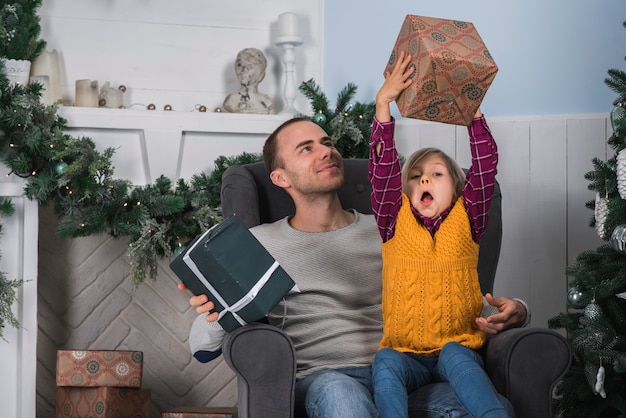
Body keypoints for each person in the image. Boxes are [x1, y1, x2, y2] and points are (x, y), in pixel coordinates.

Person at [181, 115, 528, 417]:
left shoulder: (393, 228)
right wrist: (217, 311)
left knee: (488, 405)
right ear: (280, 178)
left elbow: (444, 294)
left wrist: (518, 310)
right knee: (342, 396)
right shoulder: (258, 242)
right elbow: (201, 348)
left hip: (403, 373)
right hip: (324, 378)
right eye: (307, 148)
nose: (326, 151)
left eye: (327, 143)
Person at [369, 50, 509, 418]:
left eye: (436, 174)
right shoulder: (392, 218)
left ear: (458, 187)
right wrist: (384, 106)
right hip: (405, 356)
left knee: (456, 356)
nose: (424, 179)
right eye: (415, 176)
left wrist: (473, 110)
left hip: (457, 348)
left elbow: (486, 165)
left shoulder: (470, 215)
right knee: (384, 361)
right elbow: (382, 171)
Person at [223, 47, 274, 114]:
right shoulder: (231, 101)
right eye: (239, 65)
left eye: (249, 66)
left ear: (261, 74)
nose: (243, 70)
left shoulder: (267, 101)